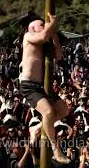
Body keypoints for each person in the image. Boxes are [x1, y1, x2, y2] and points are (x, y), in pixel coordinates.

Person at [19, 13, 70, 164]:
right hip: (29, 85)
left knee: (63, 110)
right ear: (33, 28)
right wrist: (52, 25)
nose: (45, 26)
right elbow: (41, 37)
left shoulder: (46, 44)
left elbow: (59, 54)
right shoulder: (29, 36)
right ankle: (55, 149)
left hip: (43, 86)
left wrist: (54, 34)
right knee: (48, 112)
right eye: (42, 24)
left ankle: (39, 127)